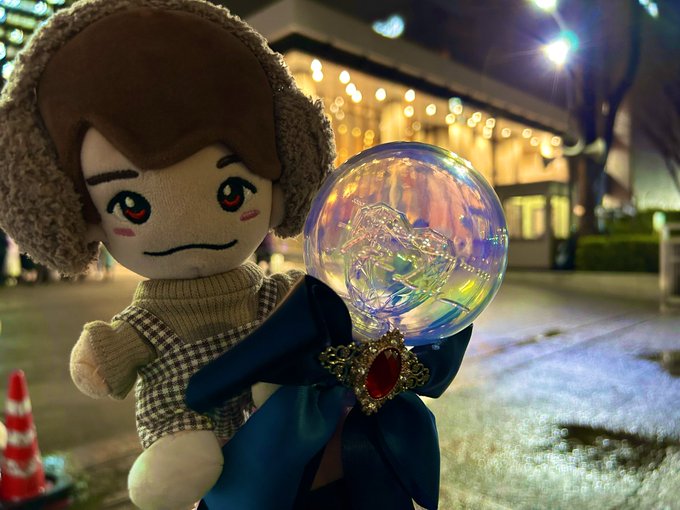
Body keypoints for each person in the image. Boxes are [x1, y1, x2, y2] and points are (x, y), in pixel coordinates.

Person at [0, 1, 335, 508]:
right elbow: (108, 358)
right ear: (75, 215)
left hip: (279, 445)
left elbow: (300, 311)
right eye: (131, 205)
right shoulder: (152, 319)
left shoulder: (265, 294)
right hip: (188, 420)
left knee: (285, 391)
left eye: (231, 193)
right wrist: (105, 352)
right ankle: (182, 448)